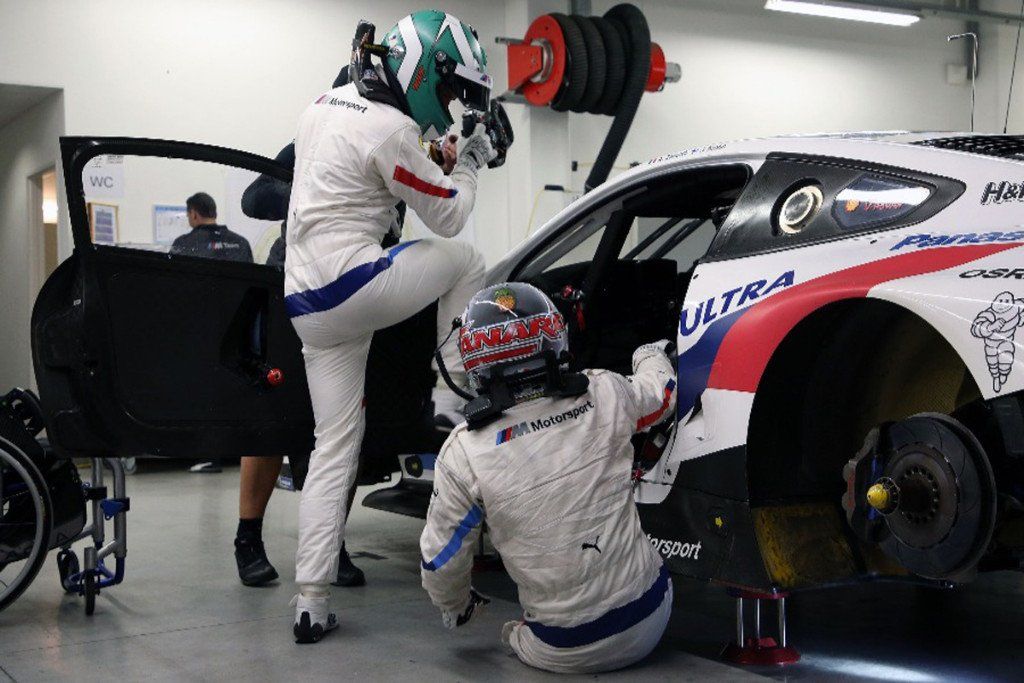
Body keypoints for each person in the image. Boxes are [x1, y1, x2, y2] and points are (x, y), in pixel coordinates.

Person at [286, 10, 496, 643]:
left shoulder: (325, 103)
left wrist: (441, 156)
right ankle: (447, 399)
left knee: (333, 450)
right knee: (470, 259)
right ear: (426, 69)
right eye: (452, 86)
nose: (453, 103)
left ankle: (310, 600)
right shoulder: (390, 128)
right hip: (351, 284)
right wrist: (471, 163)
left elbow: (372, 172)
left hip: (305, 303)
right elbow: (450, 218)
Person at [420, 283, 677, 674]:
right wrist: (649, 354)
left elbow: (439, 562)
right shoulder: (604, 392)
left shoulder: (463, 451)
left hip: (561, 650)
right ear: (555, 340)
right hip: (650, 618)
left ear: (476, 362)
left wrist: (456, 607)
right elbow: (664, 394)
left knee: (514, 633)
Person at [232, 69, 368, 589]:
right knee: (273, 420)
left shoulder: (393, 136)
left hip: (354, 292)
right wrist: (324, 187)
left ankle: (329, 540)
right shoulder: (314, 135)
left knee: (342, 427)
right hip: (294, 284)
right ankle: (248, 538)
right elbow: (254, 199)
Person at [171, 193, 253, 473]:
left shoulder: (184, 245)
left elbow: (176, 294)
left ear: (193, 214)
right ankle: (241, 452)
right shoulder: (240, 243)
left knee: (203, 393)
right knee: (236, 389)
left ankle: (208, 455)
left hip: (199, 334)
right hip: (237, 333)